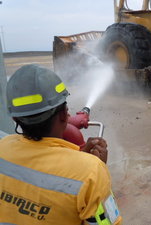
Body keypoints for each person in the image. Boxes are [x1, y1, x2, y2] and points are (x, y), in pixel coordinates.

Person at [0, 64, 122, 225]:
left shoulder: (3, 145)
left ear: (15, 119)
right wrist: (96, 169)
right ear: (65, 115)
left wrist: (82, 159)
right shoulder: (91, 171)